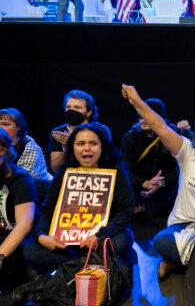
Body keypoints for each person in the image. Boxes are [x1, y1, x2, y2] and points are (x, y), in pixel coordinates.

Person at [121, 85, 195, 280]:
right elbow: (159, 125)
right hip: (182, 225)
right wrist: (136, 100)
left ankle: (175, 262)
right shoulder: (187, 152)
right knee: (161, 242)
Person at [24, 123, 134, 274]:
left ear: (102, 147)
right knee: (30, 250)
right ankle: (91, 264)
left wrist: (100, 235)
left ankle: (73, 267)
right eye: (80, 144)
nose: (87, 148)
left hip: (102, 237)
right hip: (67, 242)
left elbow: (125, 212)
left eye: (93, 143)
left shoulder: (116, 172)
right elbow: (47, 209)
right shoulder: (64, 173)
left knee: (122, 241)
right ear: (73, 147)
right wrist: (41, 235)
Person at [121, 98, 183, 218]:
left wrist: (163, 182)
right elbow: (126, 170)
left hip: (168, 185)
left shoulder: (172, 133)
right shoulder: (130, 138)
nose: (144, 120)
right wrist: (145, 183)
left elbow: (182, 166)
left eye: (148, 116)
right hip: (140, 185)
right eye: (141, 116)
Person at [0, 129, 36, 275]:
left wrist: (1, 255)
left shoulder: (20, 179)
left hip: (12, 241)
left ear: (5, 152)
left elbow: (24, 224)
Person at [48, 90, 99, 173]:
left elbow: (102, 163)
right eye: (68, 107)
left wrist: (72, 142)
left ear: (89, 112)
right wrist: (67, 148)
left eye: (77, 107)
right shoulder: (58, 132)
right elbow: (55, 168)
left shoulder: (99, 130)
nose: (71, 111)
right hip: (67, 177)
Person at [0, 108, 52, 181]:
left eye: (5, 124)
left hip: (37, 186)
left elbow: (23, 178)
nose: (0, 128)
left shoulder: (30, 147)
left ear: (18, 127)